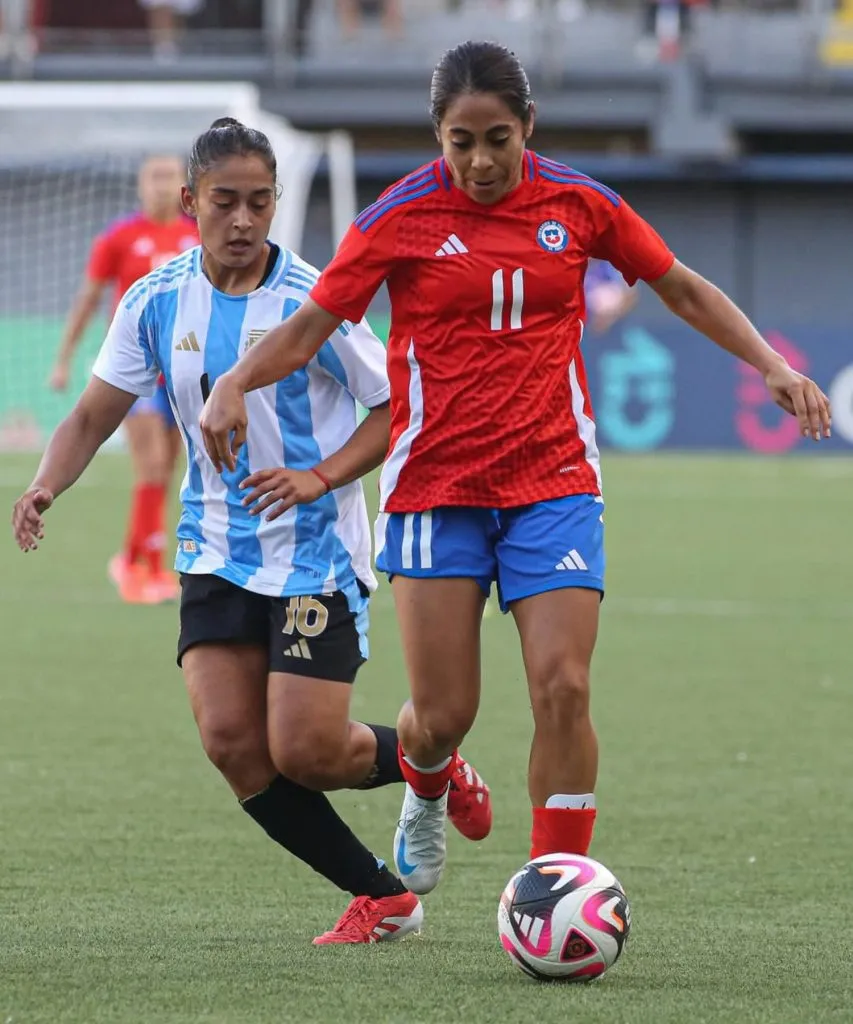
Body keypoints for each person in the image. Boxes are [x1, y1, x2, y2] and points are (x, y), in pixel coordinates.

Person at [196, 42, 831, 897]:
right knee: (442, 717)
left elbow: (678, 286)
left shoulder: (580, 202)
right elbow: (311, 326)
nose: (481, 160)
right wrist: (234, 381)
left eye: (497, 137)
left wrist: (770, 364)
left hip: (553, 480)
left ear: (528, 127)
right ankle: (426, 785)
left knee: (562, 685)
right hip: (433, 488)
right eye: (461, 141)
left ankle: (556, 884)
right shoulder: (397, 216)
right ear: (437, 136)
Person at [13, 117, 492, 944]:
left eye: (260, 202)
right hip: (214, 550)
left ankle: (433, 766)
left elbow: (395, 408)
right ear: (191, 201)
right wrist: (45, 482)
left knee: (304, 750)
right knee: (233, 742)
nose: (243, 220)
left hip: (313, 553)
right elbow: (95, 412)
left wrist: (320, 476)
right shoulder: (156, 298)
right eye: (225, 201)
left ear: (277, 205)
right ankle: (386, 900)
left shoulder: (319, 301)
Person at [49, 155, 198, 604]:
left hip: (183, 366)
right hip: (136, 369)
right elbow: (88, 298)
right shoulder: (119, 237)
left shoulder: (197, 234)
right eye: (153, 176)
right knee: (150, 465)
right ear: (139, 186)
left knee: (168, 469)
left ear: (182, 186)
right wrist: (63, 360)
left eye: (169, 176)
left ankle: (131, 557)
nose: (161, 185)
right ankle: (147, 570)